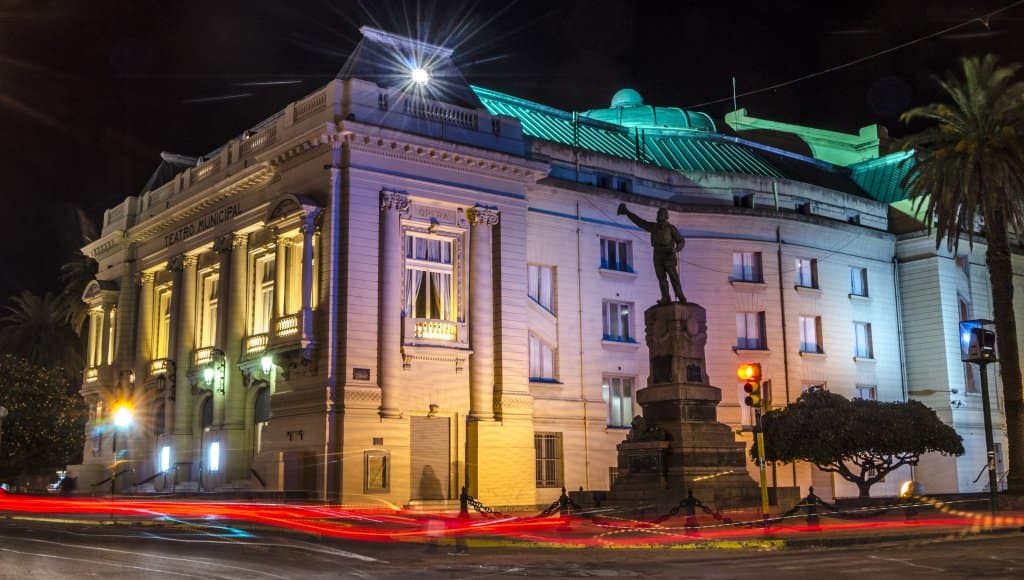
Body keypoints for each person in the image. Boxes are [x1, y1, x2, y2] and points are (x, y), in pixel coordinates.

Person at [617, 203, 686, 304]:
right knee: (661, 278)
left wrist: (676, 249)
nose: (658, 215)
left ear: (665, 216)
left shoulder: (671, 228)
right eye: (658, 213)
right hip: (657, 254)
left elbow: (681, 241)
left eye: (661, 214)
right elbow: (640, 222)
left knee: (673, 277)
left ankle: (680, 296)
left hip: (669, 254)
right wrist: (627, 212)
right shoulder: (653, 227)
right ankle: (665, 297)